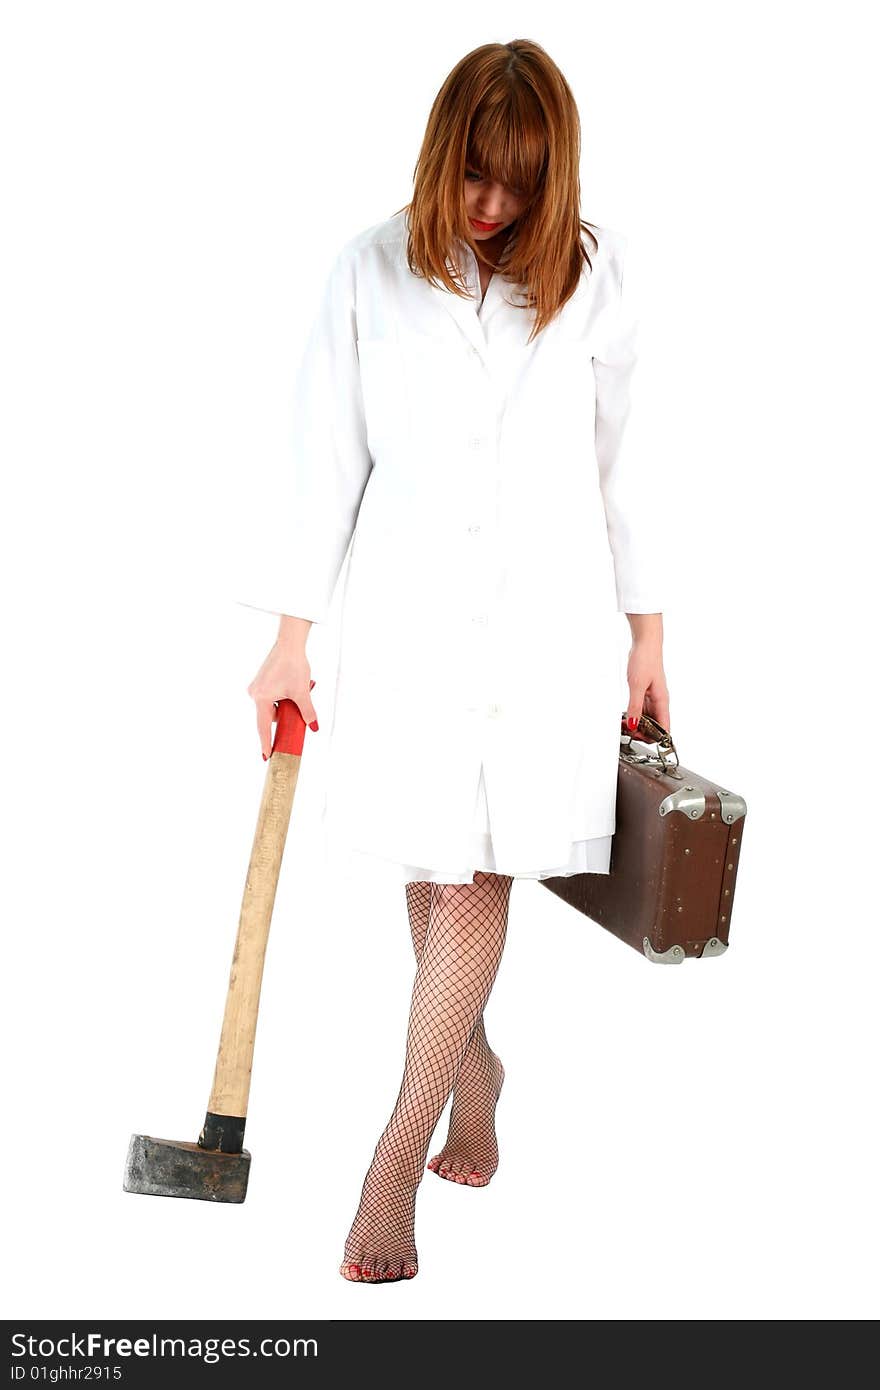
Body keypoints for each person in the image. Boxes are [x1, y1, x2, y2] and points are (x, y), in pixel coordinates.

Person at [241, 38, 671, 1283]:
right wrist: (287, 636)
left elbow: (629, 462)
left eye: (518, 186)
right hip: (410, 624)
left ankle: (395, 1149)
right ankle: (473, 1073)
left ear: (554, 181)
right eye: (474, 176)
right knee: (434, 880)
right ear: (442, 160)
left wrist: (649, 632)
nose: (491, 207)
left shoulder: (600, 277)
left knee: (477, 877)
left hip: (544, 631)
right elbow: (321, 455)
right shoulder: (370, 270)